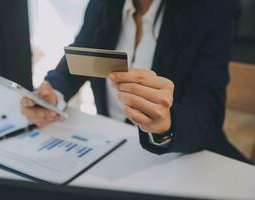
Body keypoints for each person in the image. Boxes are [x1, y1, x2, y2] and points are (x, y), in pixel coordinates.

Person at [21, 0, 250, 163]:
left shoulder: (214, 8)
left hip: (181, 158)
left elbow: (207, 111)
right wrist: (52, 92)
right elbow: (79, 58)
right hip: (110, 151)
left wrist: (166, 125)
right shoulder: (104, 4)